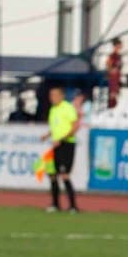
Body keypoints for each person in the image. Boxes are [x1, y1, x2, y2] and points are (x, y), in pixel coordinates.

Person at [43, 85, 80, 214]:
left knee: (64, 175)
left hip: (66, 145)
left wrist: (62, 139)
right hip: (56, 145)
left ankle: (73, 206)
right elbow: (56, 127)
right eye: (50, 95)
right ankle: (55, 204)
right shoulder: (53, 109)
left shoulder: (68, 108)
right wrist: (47, 135)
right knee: (52, 174)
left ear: (61, 96)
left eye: (54, 95)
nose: (52, 98)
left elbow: (75, 126)